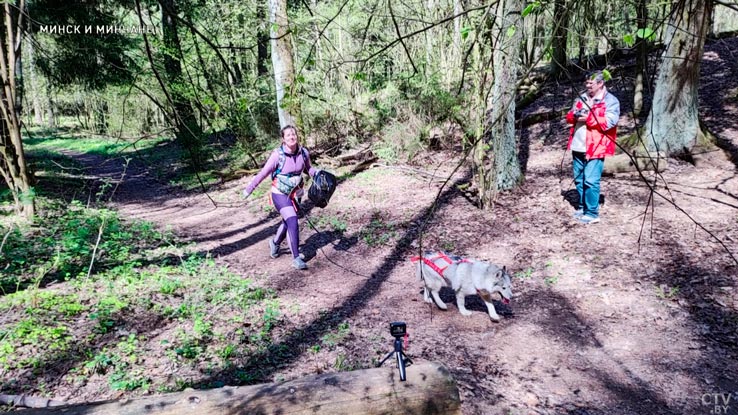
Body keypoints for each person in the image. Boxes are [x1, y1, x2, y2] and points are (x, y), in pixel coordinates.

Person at [243, 125, 318, 269]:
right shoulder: (278, 155)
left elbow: (309, 169)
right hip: (279, 194)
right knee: (292, 219)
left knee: (288, 221)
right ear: (283, 139)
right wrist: (249, 189)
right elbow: (263, 173)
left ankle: (275, 243)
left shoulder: (303, 153)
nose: (292, 137)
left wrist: (319, 174)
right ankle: (296, 258)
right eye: (288, 135)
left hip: (295, 193)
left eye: (293, 134)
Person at [565, 71, 620, 224]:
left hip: (595, 146)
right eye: (586, 83)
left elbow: (610, 122)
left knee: (590, 180)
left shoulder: (610, 101)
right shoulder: (581, 97)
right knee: (579, 179)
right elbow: (570, 115)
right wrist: (573, 116)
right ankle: (582, 207)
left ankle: (592, 213)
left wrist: (588, 118)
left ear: (600, 83)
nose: (587, 86)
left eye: (591, 83)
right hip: (578, 144)